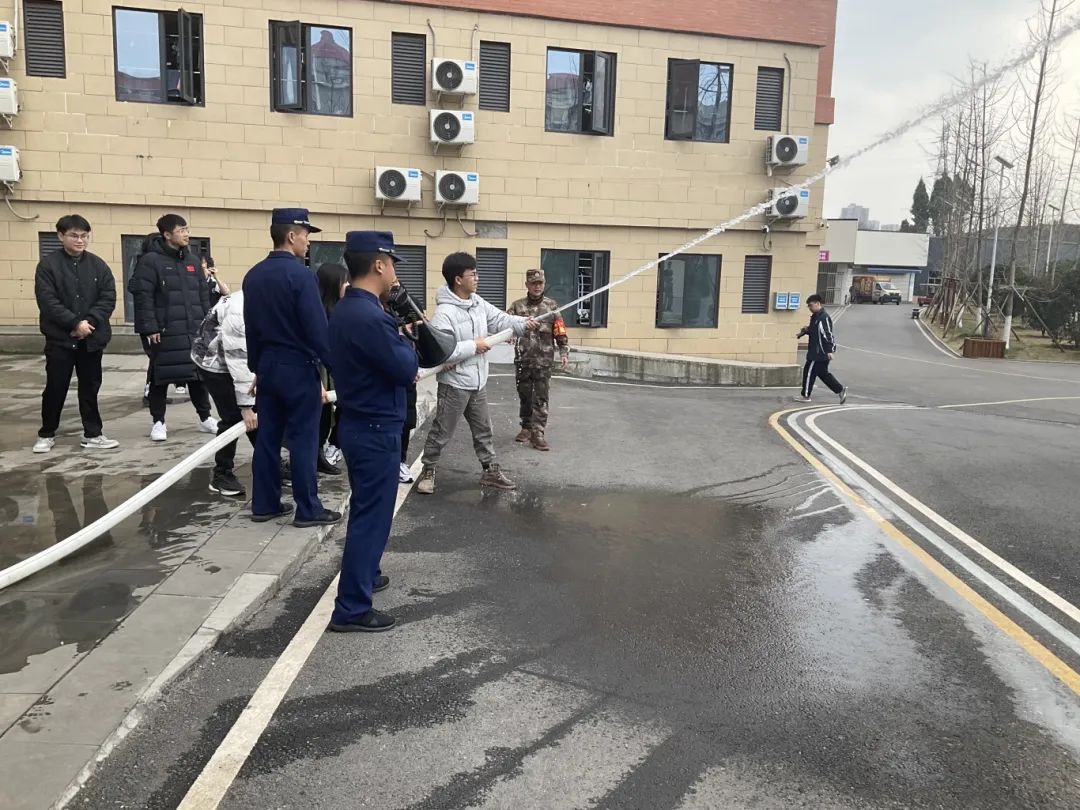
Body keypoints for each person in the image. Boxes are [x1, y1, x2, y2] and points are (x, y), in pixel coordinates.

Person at [327, 231, 418, 632]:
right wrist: (406, 341)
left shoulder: (350, 309)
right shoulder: (369, 316)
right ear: (379, 264)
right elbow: (405, 369)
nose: (395, 271)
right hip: (374, 426)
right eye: (392, 263)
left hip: (362, 421)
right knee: (371, 518)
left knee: (369, 512)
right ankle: (351, 609)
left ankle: (365, 576)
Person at [243, 208, 340, 528]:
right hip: (298, 367)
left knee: (268, 438)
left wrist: (257, 368)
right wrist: (336, 367)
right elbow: (317, 328)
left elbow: (251, 327)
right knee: (304, 440)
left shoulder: (253, 275)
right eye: (306, 235)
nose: (308, 242)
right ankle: (308, 508)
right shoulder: (301, 276)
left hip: (268, 367)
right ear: (291, 236)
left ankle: (265, 504)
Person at [415, 252, 535, 495]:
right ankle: (428, 469)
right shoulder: (444, 314)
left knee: (484, 430)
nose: (477, 278)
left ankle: (490, 471)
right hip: (455, 384)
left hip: (478, 382)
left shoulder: (477, 302)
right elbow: (443, 352)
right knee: (441, 432)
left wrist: (522, 323)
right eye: (473, 274)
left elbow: (500, 319)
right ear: (458, 279)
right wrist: (474, 346)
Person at [32, 214, 120, 453]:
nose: (80, 240)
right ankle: (46, 433)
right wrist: (73, 323)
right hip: (60, 340)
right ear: (61, 236)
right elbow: (48, 301)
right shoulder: (48, 266)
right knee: (55, 387)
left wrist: (88, 323)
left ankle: (93, 434)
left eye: (84, 236)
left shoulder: (98, 265)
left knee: (90, 388)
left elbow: (108, 297)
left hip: (91, 338)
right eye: (74, 235)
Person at [130, 214, 218, 442]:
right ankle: (158, 422)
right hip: (165, 331)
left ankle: (205, 417)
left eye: (187, 229)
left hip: (193, 329)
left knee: (197, 375)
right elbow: (143, 297)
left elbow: (202, 295)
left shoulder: (192, 261)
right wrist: (150, 327)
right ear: (167, 235)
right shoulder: (151, 261)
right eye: (181, 230)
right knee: (161, 376)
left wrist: (207, 324)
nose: (186, 234)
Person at [191, 289, 258, 497]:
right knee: (233, 417)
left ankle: (270, 460)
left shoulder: (262, 299)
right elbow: (238, 357)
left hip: (240, 358)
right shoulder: (239, 310)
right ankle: (222, 473)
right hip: (214, 363)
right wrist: (245, 405)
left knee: (257, 414)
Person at [508, 268, 569, 451]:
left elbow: (559, 330)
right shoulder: (517, 307)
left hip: (543, 361)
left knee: (541, 397)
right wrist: (510, 334)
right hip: (523, 360)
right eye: (533, 283)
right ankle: (526, 427)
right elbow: (505, 325)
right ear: (527, 285)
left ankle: (538, 433)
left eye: (540, 283)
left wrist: (563, 351)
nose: (537, 287)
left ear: (544, 284)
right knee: (525, 395)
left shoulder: (551, 307)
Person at [315, 262, 349, 477]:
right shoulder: (318, 313)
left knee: (328, 418)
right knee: (320, 417)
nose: (347, 286)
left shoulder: (341, 309)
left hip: (334, 372)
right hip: (321, 373)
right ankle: (315, 456)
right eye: (343, 282)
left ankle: (320, 454)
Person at [794, 294, 847, 404]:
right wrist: (805, 331)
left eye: (811, 305)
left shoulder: (823, 317)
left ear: (818, 304)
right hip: (817, 352)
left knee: (809, 372)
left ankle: (806, 395)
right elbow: (815, 331)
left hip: (819, 353)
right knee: (823, 374)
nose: (809, 308)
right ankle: (840, 390)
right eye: (808, 306)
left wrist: (830, 350)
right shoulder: (816, 317)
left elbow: (828, 335)